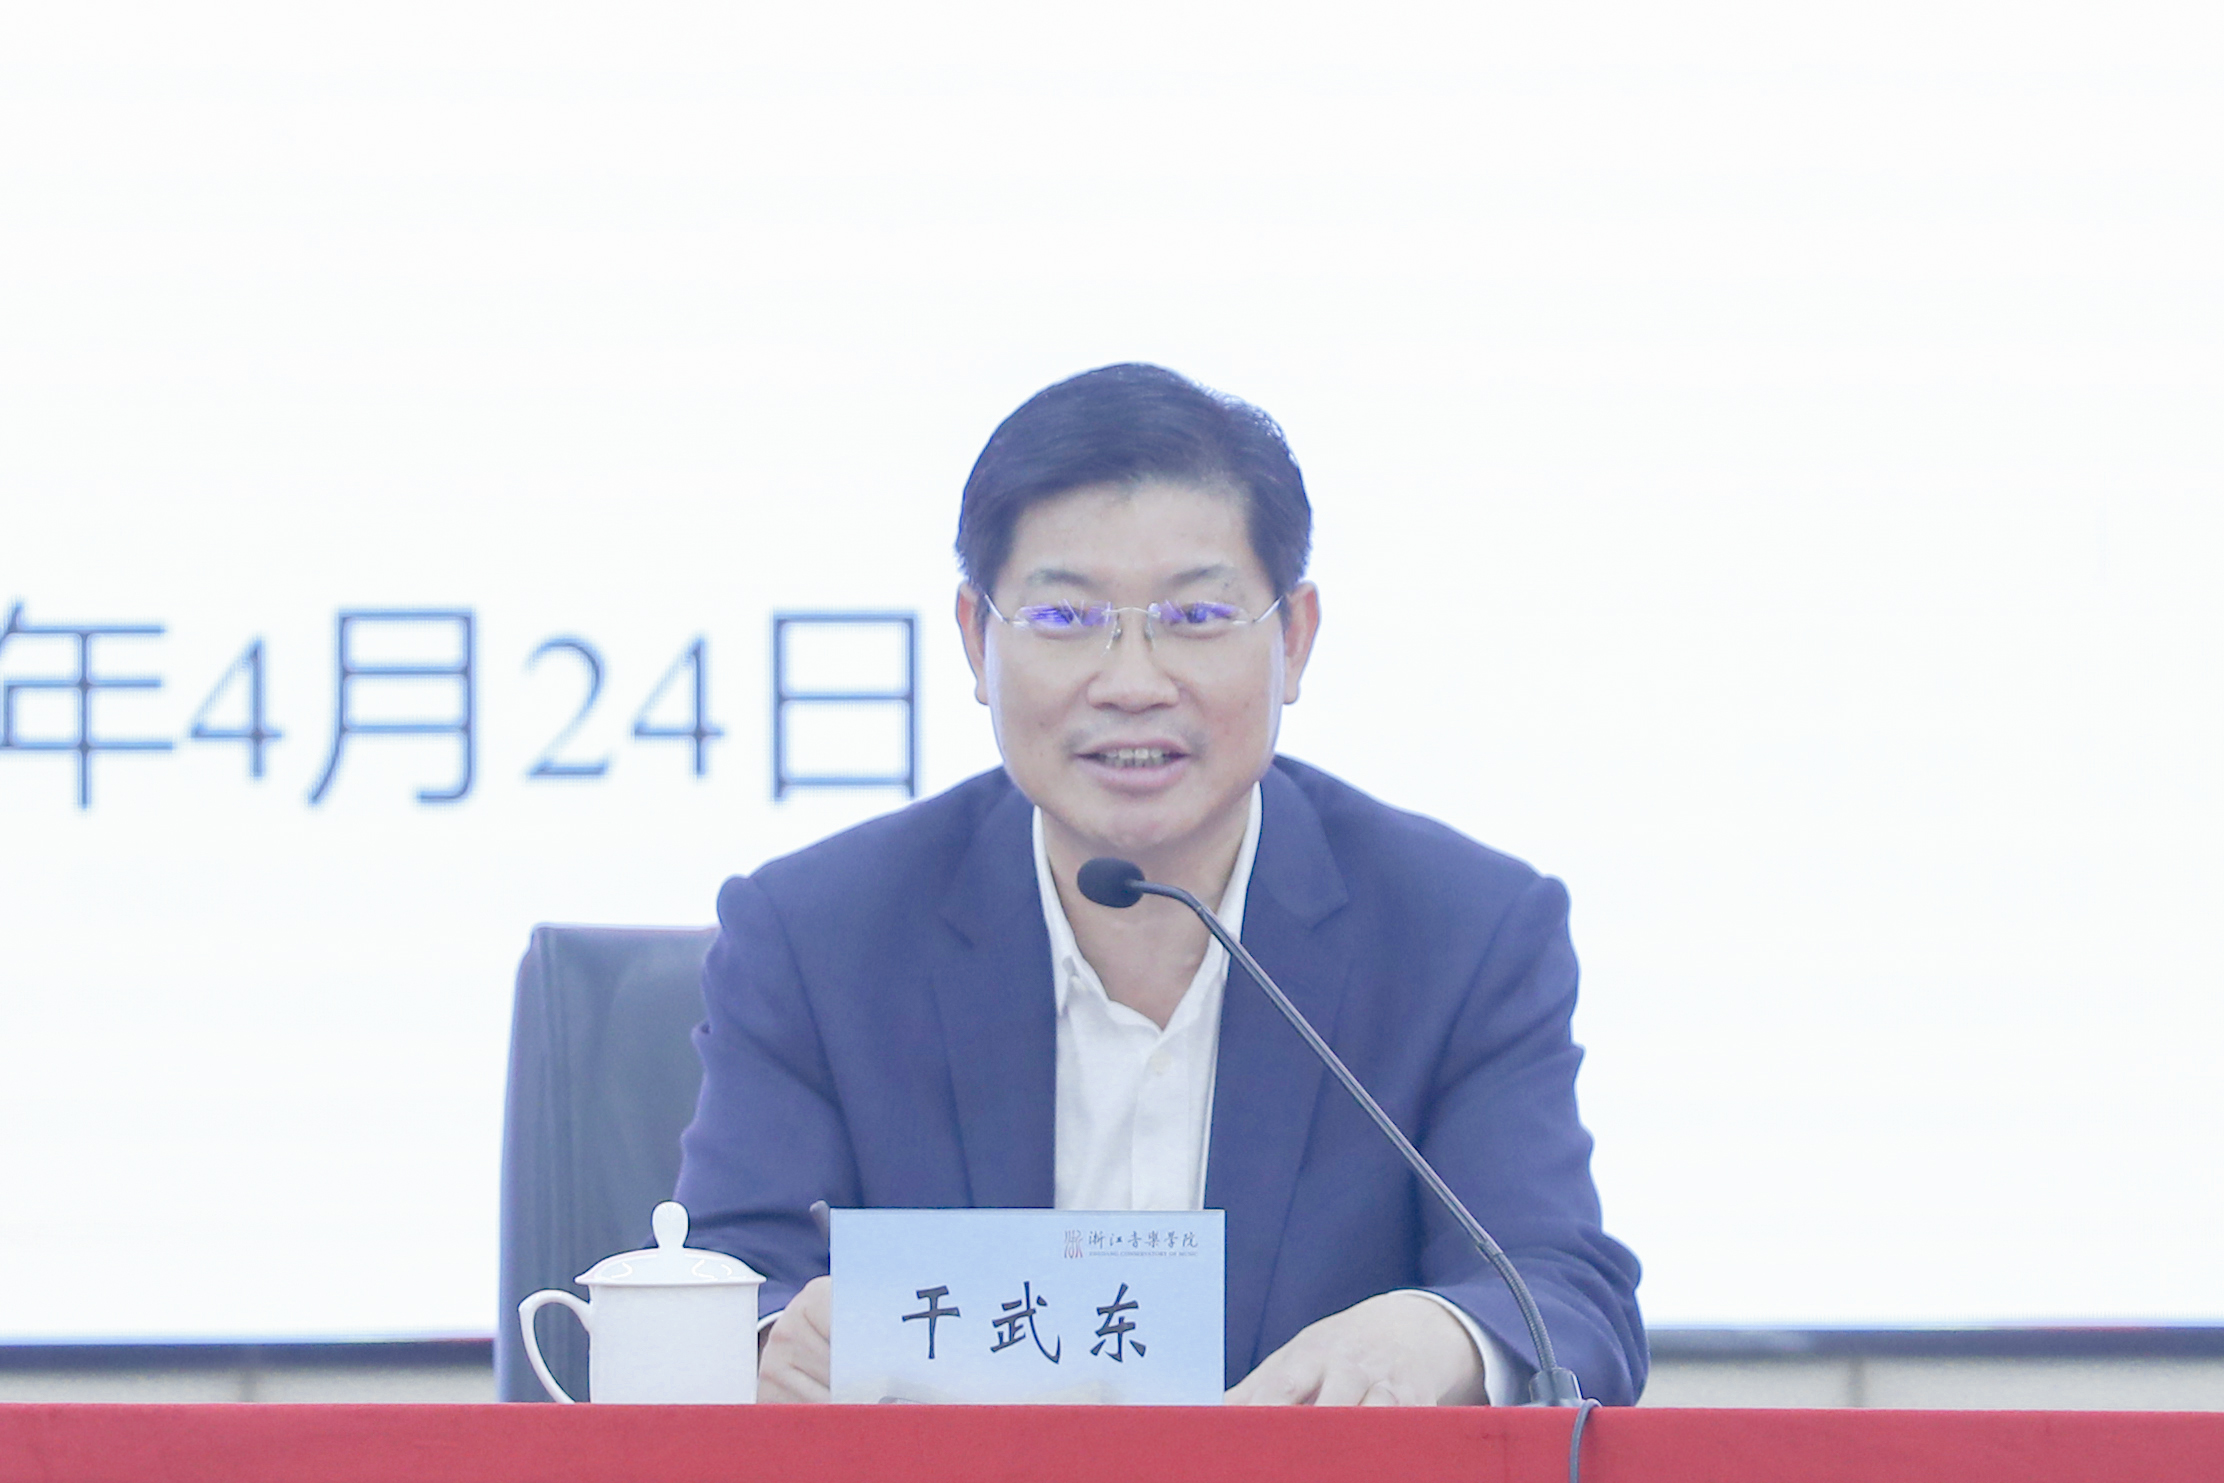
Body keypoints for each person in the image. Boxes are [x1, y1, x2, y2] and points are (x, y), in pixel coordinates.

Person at [675, 363, 1646, 1406]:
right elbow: (725, 1274)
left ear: (1294, 639)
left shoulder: (1462, 934)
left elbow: (1564, 1293)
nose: (1132, 682)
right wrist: (779, 1338)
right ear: (974, 639)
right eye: (1063, 619)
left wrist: (1442, 1332)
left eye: (1196, 616)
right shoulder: (817, 936)